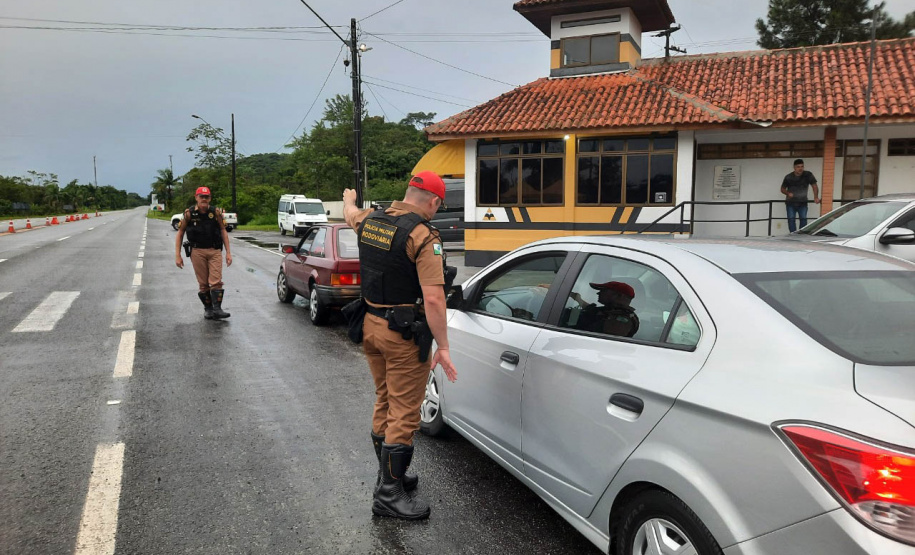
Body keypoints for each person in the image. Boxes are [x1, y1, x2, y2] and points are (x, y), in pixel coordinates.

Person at [343, 171, 458, 521]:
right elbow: (435, 299)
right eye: (439, 206)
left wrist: (349, 199)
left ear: (409, 191)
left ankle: (389, 474)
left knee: (385, 399)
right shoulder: (423, 236)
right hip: (403, 337)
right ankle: (389, 494)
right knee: (405, 413)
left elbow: (350, 213)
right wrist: (444, 346)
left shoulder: (370, 220)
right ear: (434, 201)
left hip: (371, 327)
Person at [174, 186, 233, 319]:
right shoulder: (189, 214)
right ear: (196, 198)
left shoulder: (216, 212)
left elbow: (223, 230)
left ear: (210, 198)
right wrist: (178, 255)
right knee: (203, 283)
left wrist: (228, 252)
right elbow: (180, 232)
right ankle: (208, 309)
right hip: (197, 251)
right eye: (201, 197)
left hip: (214, 250)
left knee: (216, 280)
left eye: (207, 197)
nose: (204, 199)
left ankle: (217, 309)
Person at [570, 281, 640, 338]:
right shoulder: (610, 311)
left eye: (603, 290)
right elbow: (592, 310)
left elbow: (600, 341)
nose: (598, 293)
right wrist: (578, 299)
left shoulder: (621, 321)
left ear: (619, 295)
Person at [780, 159, 820, 232]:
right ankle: (793, 235)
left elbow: (814, 186)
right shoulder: (788, 177)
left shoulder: (808, 175)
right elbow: (782, 189)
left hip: (803, 202)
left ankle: (802, 235)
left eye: (802, 166)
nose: (800, 168)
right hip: (790, 203)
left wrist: (816, 197)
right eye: (798, 167)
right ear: (794, 168)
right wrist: (788, 193)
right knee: (791, 220)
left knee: (803, 219)